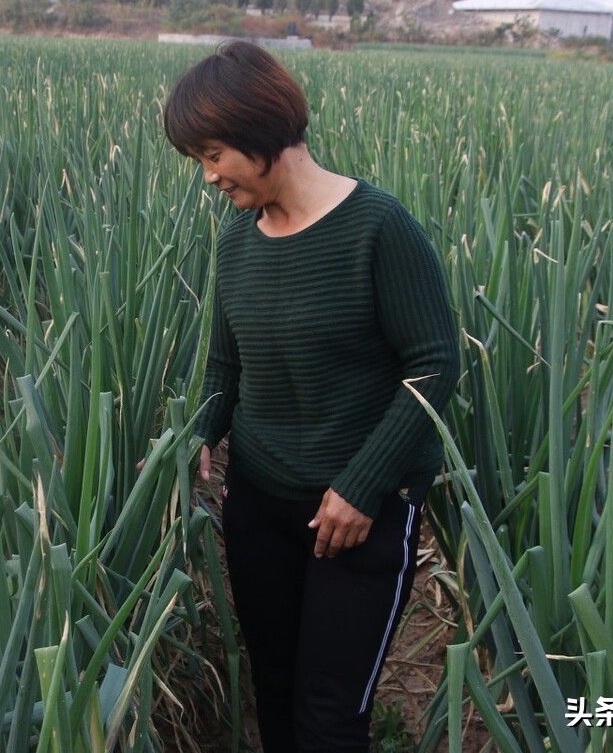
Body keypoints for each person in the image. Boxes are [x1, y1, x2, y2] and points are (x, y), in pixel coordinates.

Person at [163, 41, 459, 752]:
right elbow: (225, 368)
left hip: (359, 516)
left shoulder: (379, 227)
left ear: (260, 131)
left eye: (212, 155)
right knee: (274, 687)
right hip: (260, 504)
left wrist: (361, 487)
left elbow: (434, 364)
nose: (207, 178)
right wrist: (201, 434)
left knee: (330, 713)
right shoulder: (236, 245)